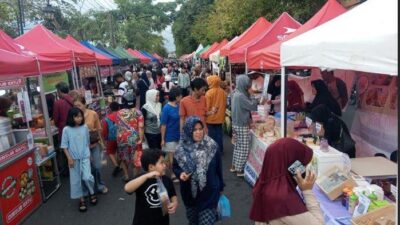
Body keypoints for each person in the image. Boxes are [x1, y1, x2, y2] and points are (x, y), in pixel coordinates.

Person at [250, 138, 323, 225]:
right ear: (292, 165)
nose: (304, 166)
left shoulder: (265, 181)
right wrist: (307, 191)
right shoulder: (284, 200)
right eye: (303, 163)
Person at [173, 116, 224, 225]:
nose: (198, 132)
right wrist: (180, 174)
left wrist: (220, 185)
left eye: (200, 129)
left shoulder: (212, 146)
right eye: (195, 130)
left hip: (209, 194)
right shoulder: (180, 150)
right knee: (193, 221)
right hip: (190, 195)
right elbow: (176, 167)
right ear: (188, 130)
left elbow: (218, 168)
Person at [125, 149, 178, 225]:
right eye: (161, 163)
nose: (165, 165)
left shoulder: (167, 179)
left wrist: (175, 203)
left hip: (162, 221)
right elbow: (127, 188)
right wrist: (146, 176)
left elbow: (173, 194)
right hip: (142, 221)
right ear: (151, 167)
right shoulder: (141, 179)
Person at [60, 107, 97, 212]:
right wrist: (69, 158)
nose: (79, 118)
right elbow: (64, 146)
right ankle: (81, 199)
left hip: (85, 156)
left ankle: (91, 192)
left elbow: (87, 142)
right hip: (73, 159)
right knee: (76, 180)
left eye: (80, 116)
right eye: (76, 116)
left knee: (87, 177)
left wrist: (89, 154)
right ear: (71, 117)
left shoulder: (84, 127)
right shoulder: (66, 129)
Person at [74, 96, 108, 194]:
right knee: (85, 170)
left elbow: (99, 129)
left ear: (85, 104)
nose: (77, 107)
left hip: (93, 145)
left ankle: (100, 185)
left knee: (97, 166)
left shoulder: (92, 114)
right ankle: (87, 190)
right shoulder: (73, 116)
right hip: (81, 148)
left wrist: (102, 143)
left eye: (79, 105)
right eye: (75, 105)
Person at [231, 75, 263, 177]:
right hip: (241, 124)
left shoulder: (237, 93)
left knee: (238, 146)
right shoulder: (240, 96)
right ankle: (239, 170)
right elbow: (253, 106)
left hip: (237, 123)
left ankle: (234, 166)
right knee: (244, 148)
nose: (249, 86)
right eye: (248, 85)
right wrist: (253, 95)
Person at [116, 96, 145, 182]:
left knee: (123, 157)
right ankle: (135, 177)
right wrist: (141, 139)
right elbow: (141, 127)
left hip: (121, 139)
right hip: (134, 139)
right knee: (136, 158)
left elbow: (118, 126)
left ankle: (126, 176)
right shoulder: (138, 113)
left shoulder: (119, 113)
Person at [160, 87, 182, 182]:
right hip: (170, 135)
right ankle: (173, 174)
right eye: (180, 95)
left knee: (177, 155)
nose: (182, 97)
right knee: (171, 156)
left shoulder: (179, 106)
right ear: (176, 97)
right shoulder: (166, 108)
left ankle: (167, 168)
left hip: (179, 134)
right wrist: (162, 139)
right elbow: (163, 125)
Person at [205, 75, 227, 154]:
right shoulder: (223, 92)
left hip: (210, 118)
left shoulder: (208, 93)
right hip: (220, 117)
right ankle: (220, 150)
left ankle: (213, 151)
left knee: (211, 135)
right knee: (219, 134)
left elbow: (207, 107)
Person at [102, 102, 122, 177]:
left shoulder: (106, 119)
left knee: (110, 152)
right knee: (120, 152)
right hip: (121, 137)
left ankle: (116, 165)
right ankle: (119, 165)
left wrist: (105, 138)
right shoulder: (122, 116)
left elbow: (104, 131)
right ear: (119, 108)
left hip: (111, 138)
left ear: (110, 109)